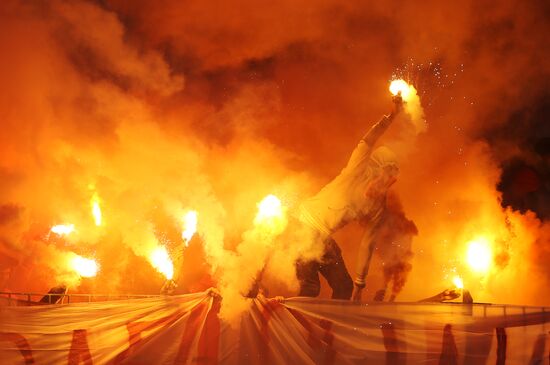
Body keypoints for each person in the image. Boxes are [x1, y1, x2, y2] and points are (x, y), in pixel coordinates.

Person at [296, 95, 404, 300]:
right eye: (387, 173)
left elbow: (367, 245)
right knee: (310, 288)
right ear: (376, 168)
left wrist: (359, 288)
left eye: (392, 177)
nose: (388, 181)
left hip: (323, 238)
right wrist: (391, 115)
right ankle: (293, 329)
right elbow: (369, 140)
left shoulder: (377, 207)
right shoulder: (357, 169)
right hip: (302, 226)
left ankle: (327, 332)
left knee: (344, 288)